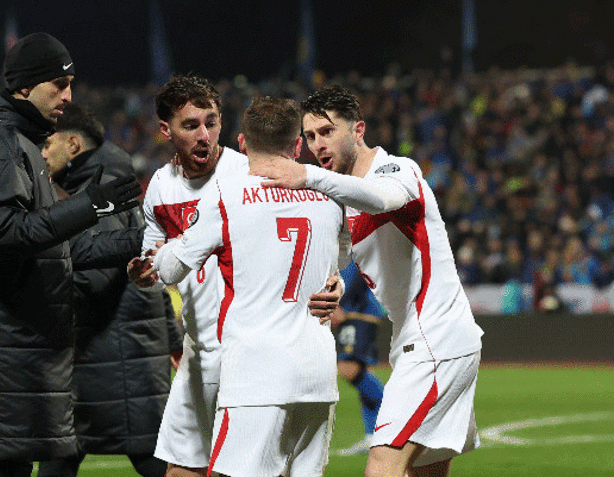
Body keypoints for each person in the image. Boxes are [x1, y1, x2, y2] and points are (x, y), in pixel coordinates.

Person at [0, 33, 144, 477]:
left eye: (70, 84)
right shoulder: (2, 144)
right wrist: (89, 206)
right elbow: (5, 234)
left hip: (8, 351)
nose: (68, 96)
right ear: (24, 86)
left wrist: (146, 239)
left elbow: (60, 247)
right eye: (58, 84)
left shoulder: (16, 142)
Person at [258, 85, 484, 477]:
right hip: (423, 339)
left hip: (436, 340)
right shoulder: (346, 199)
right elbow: (355, 258)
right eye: (310, 136)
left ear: (358, 130)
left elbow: (381, 199)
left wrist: (308, 176)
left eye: (327, 131)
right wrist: (339, 287)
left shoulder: (396, 170)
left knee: (382, 463)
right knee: (425, 473)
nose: (317, 144)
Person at [151, 97, 350, 477]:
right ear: (297, 145)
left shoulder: (226, 195)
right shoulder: (329, 196)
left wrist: (163, 251)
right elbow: (336, 268)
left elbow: (172, 269)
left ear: (242, 143)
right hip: (317, 373)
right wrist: (336, 286)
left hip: (256, 372)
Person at [36, 103, 184, 477]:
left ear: (73, 145)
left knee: (145, 458)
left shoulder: (97, 195)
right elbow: (144, 267)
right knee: (63, 456)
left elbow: (96, 274)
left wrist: (38, 286)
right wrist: (171, 337)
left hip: (111, 357)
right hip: (121, 353)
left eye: (48, 143)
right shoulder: (113, 187)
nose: (42, 154)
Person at [125, 74, 249, 477]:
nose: (204, 135)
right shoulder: (161, 187)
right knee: (180, 470)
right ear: (166, 130)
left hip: (249, 347)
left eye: (211, 122)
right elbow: (154, 265)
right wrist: (143, 274)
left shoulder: (246, 175)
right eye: (191, 125)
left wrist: (331, 279)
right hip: (200, 351)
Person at [331, 260, 387, 457]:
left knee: (349, 369)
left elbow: (359, 267)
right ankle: (373, 435)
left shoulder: (351, 246)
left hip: (358, 310)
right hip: (356, 310)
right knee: (361, 370)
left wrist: (338, 303)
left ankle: (396, 414)